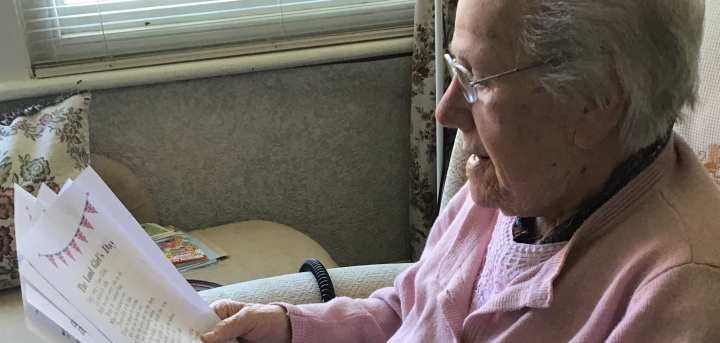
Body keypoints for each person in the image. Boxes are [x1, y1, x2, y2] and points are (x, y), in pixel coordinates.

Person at [201, 0, 720, 341]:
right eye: (453, 68)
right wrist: (292, 329)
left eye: (475, 80)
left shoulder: (680, 294)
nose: (445, 111)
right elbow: (412, 309)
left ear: (596, 103)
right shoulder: (512, 186)